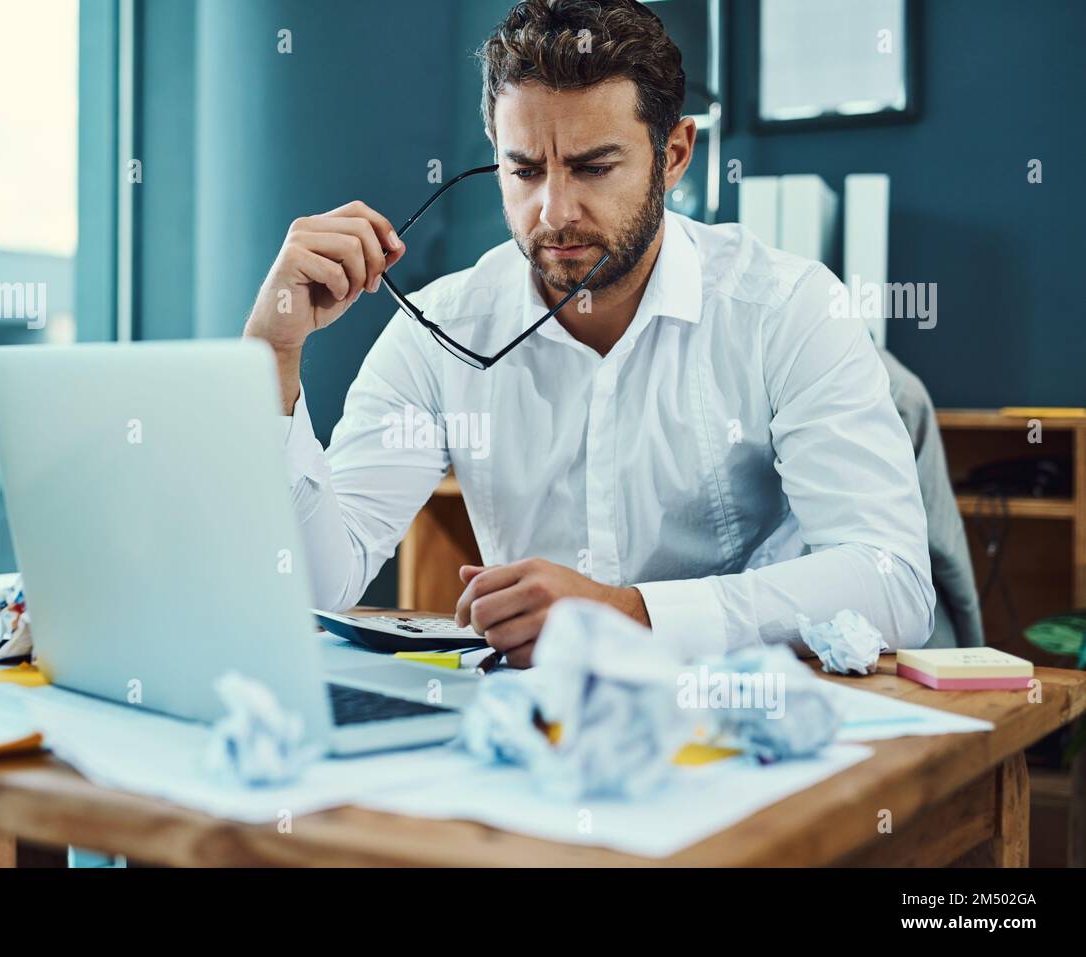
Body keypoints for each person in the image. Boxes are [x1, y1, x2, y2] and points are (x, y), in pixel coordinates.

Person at [243, 0, 934, 667]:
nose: (555, 212)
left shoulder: (787, 308)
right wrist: (273, 359)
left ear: (674, 154)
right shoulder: (438, 332)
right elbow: (312, 589)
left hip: (748, 719)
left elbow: (892, 582)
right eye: (524, 170)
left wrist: (628, 614)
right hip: (538, 735)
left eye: (593, 167)